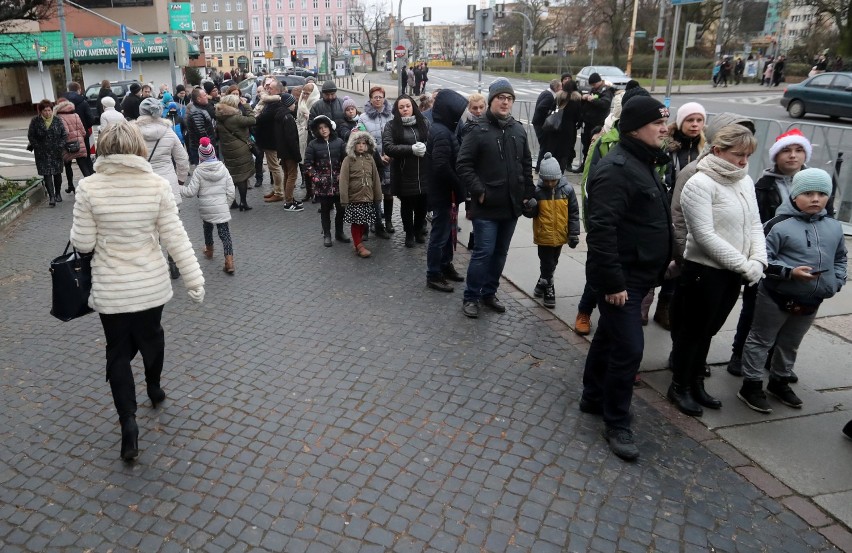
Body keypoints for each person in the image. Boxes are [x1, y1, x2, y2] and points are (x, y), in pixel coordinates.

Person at [70, 121, 205, 461]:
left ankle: (128, 424)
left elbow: (82, 243)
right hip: (149, 285)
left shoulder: (88, 187)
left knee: (117, 352)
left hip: (111, 287)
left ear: (102, 148)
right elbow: (174, 235)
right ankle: (154, 386)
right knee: (152, 336)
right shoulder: (156, 185)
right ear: (137, 147)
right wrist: (193, 279)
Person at [580, 96, 673, 462]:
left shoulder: (644, 161)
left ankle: (592, 396)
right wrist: (615, 283)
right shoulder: (617, 168)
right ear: (635, 128)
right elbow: (602, 232)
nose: (665, 129)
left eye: (665, 122)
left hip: (640, 273)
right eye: (658, 123)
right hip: (622, 279)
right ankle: (616, 420)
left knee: (608, 338)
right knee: (629, 349)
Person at [668, 124, 765, 417]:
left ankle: (696, 382)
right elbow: (704, 236)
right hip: (703, 272)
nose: (744, 161)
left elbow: (754, 224)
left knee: (708, 331)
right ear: (717, 150)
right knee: (692, 332)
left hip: (733, 273)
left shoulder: (744, 181)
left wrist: (759, 261)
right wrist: (745, 265)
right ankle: (679, 386)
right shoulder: (700, 183)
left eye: (748, 155)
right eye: (738, 155)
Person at [738, 168, 847, 413]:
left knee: (790, 342)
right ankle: (751, 384)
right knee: (761, 339)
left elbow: (840, 257)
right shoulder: (777, 225)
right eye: (808, 193)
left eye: (821, 194)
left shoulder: (834, 226)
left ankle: (779, 380)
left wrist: (837, 280)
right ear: (794, 196)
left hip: (812, 297)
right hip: (777, 295)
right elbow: (761, 258)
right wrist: (790, 272)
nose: (816, 199)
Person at [727, 129, 814, 377]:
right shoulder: (763, 187)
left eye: (798, 150)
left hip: (798, 261)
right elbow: (755, 223)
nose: (792, 156)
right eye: (786, 150)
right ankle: (739, 353)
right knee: (754, 309)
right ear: (776, 156)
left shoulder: (814, 184)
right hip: (767, 258)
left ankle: (774, 358)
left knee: (790, 312)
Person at [574, 85, 652, 336]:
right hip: (609, 226)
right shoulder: (604, 144)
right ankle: (584, 311)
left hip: (638, 232)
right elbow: (588, 186)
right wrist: (592, 226)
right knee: (598, 272)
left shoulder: (655, 150)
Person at [456, 78, 534, 318]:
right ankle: (471, 296)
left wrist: (528, 195)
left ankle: (489, 292)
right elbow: (463, 164)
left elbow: (526, 164)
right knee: (484, 252)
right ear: (492, 100)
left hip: (511, 206)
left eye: (509, 98)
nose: (505, 102)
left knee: (500, 253)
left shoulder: (518, 129)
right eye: (501, 97)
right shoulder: (478, 130)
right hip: (486, 205)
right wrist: (479, 191)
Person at [646, 101, 706, 328]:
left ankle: (665, 308)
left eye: (699, 120)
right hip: (666, 210)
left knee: (680, 260)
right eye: (690, 120)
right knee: (658, 258)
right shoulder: (668, 147)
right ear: (680, 122)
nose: (695, 124)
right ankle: (645, 303)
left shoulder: (703, 148)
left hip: (692, 212)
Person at [134, 98, 190, 279]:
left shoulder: (133, 133)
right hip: (168, 186)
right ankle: (174, 263)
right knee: (171, 228)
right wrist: (180, 181)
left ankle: (155, 266)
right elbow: (182, 160)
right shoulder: (169, 132)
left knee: (149, 229)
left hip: (143, 186)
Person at [424, 89, 468, 292]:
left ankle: (444, 265)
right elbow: (442, 165)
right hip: (443, 192)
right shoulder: (441, 131)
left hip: (446, 191)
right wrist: (458, 185)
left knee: (447, 233)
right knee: (440, 234)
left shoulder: (444, 128)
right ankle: (434, 274)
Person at [524, 152, 580, 308]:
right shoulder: (538, 192)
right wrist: (529, 207)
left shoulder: (567, 191)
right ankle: (549, 287)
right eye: (547, 181)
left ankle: (543, 281)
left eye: (553, 180)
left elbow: (574, 213)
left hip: (560, 234)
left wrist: (574, 233)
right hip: (544, 235)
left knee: (553, 261)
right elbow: (532, 214)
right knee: (547, 262)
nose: (550, 184)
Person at [182, 137, 237, 274]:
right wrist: (226, 205)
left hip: (206, 208)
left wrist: (178, 187)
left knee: (207, 228)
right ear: (213, 153)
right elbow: (231, 191)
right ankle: (229, 261)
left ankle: (209, 250)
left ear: (200, 155)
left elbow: (190, 192)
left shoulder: (199, 171)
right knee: (225, 234)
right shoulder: (223, 168)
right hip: (221, 207)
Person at [382, 94, 431, 248]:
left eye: (407, 106)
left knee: (422, 205)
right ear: (397, 109)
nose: (405, 109)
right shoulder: (391, 125)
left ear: (413, 107)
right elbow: (388, 147)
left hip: (424, 172)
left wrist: (425, 146)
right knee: (407, 205)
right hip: (404, 174)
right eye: (401, 107)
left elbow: (433, 140)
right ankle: (409, 233)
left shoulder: (423, 122)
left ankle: (418, 231)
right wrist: (410, 149)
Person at [305, 115, 348, 246]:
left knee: (341, 209)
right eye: (320, 128)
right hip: (322, 185)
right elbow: (308, 165)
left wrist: (343, 174)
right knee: (325, 210)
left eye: (325, 127)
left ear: (330, 127)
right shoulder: (313, 145)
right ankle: (327, 234)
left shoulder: (339, 142)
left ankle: (339, 232)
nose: (323, 130)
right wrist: (316, 177)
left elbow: (346, 160)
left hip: (338, 183)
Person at [356, 86, 393, 238]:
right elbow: (361, 141)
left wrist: (389, 154)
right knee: (372, 194)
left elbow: (396, 137)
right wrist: (378, 156)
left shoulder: (392, 116)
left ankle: (388, 222)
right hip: (371, 161)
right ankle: (375, 224)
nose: (378, 99)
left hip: (390, 160)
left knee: (389, 193)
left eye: (380, 97)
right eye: (375, 97)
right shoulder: (363, 118)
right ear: (370, 99)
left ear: (384, 98)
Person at [340, 130, 382, 258]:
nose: (361, 145)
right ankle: (359, 245)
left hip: (368, 196)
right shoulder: (348, 160)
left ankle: (358, 242)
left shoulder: (370, 159)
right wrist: (344, 198)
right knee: (356, 222)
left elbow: (375, 178)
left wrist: (378, 195)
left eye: (364, 143)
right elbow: (344, 179)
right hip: (355, 197)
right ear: (353, 145)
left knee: (364, 221)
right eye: (358, 143)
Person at [215, 93, 258, 212]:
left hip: (227, 149)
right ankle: (243, 202)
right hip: (240, 150)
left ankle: (232, 201)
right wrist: (247, 106)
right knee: (242, 177)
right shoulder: (235, 117)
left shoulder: (220, 117)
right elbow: (252, 120)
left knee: (232, 176)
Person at [28, 100, 68, 207]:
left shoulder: (57, 120)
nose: (47, 113)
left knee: (57, 173)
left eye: (49, 110)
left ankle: (58, 193)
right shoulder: (35, 121)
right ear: (40, 111)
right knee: (47, 174)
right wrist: (37, 146)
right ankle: (51, 197)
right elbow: (31, 136)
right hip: (42, 153)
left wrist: (60, 146)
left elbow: (64, 135)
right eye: (45, 110)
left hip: (56, 152)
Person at [54, 97, 94, 194]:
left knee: (68, 165)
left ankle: (70, 185)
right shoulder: (76, 115)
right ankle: (91, 185)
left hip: (67, 146)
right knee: (83, 165)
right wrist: (78, 138)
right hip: (78, 143)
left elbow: (65, 132)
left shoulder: (59, 117)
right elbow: (83, 131)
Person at [540, 90, 582, 174]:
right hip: (568, 130)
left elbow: (551, 109)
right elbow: (578, 116)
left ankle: (550, 170)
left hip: (554, 128)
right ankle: (560, 172)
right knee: (564, 153)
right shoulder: (575, 101)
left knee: (552, 150)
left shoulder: (559, 98)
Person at [577, 73, 613, 172]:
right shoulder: (595, 89)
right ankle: (584, 166)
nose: (592, 87)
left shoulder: (606, 90)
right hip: (588, 122)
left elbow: (605, 104)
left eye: (593, 84)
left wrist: (593, 100)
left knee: (595, 146)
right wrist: (585, 98)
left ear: (599, 82)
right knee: (586, 145)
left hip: (597, 123)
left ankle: (592, 168)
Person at [297, 81, 321, 200]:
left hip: (313, 137)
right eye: (304, 93)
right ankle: (309, 192)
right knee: (305, 165)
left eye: (307, 93)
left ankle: (316, 192)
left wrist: (310, 117)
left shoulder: (317, 103)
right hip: (302, 136)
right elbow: (298, 119)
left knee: (315, 166)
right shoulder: (301, 101)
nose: (305, 96)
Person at [531, 79, 561, 172]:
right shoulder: (549, 97)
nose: (561, 89)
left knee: (544, 146)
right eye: (560, 87)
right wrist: (550, 114)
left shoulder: (545, 92)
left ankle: (540, 166)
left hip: (538, 123)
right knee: (544, 146)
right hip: (541, 124)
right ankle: (539, 167)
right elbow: (541, 108)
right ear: (556, 88)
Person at [185, 88, 216, 166]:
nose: (207, 97)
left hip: (203, 147)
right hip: (202, 149)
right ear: (199, 99)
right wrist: (208, 146)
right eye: (205, 95)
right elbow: (201, 132)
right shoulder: (196, 112)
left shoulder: (200, 109)